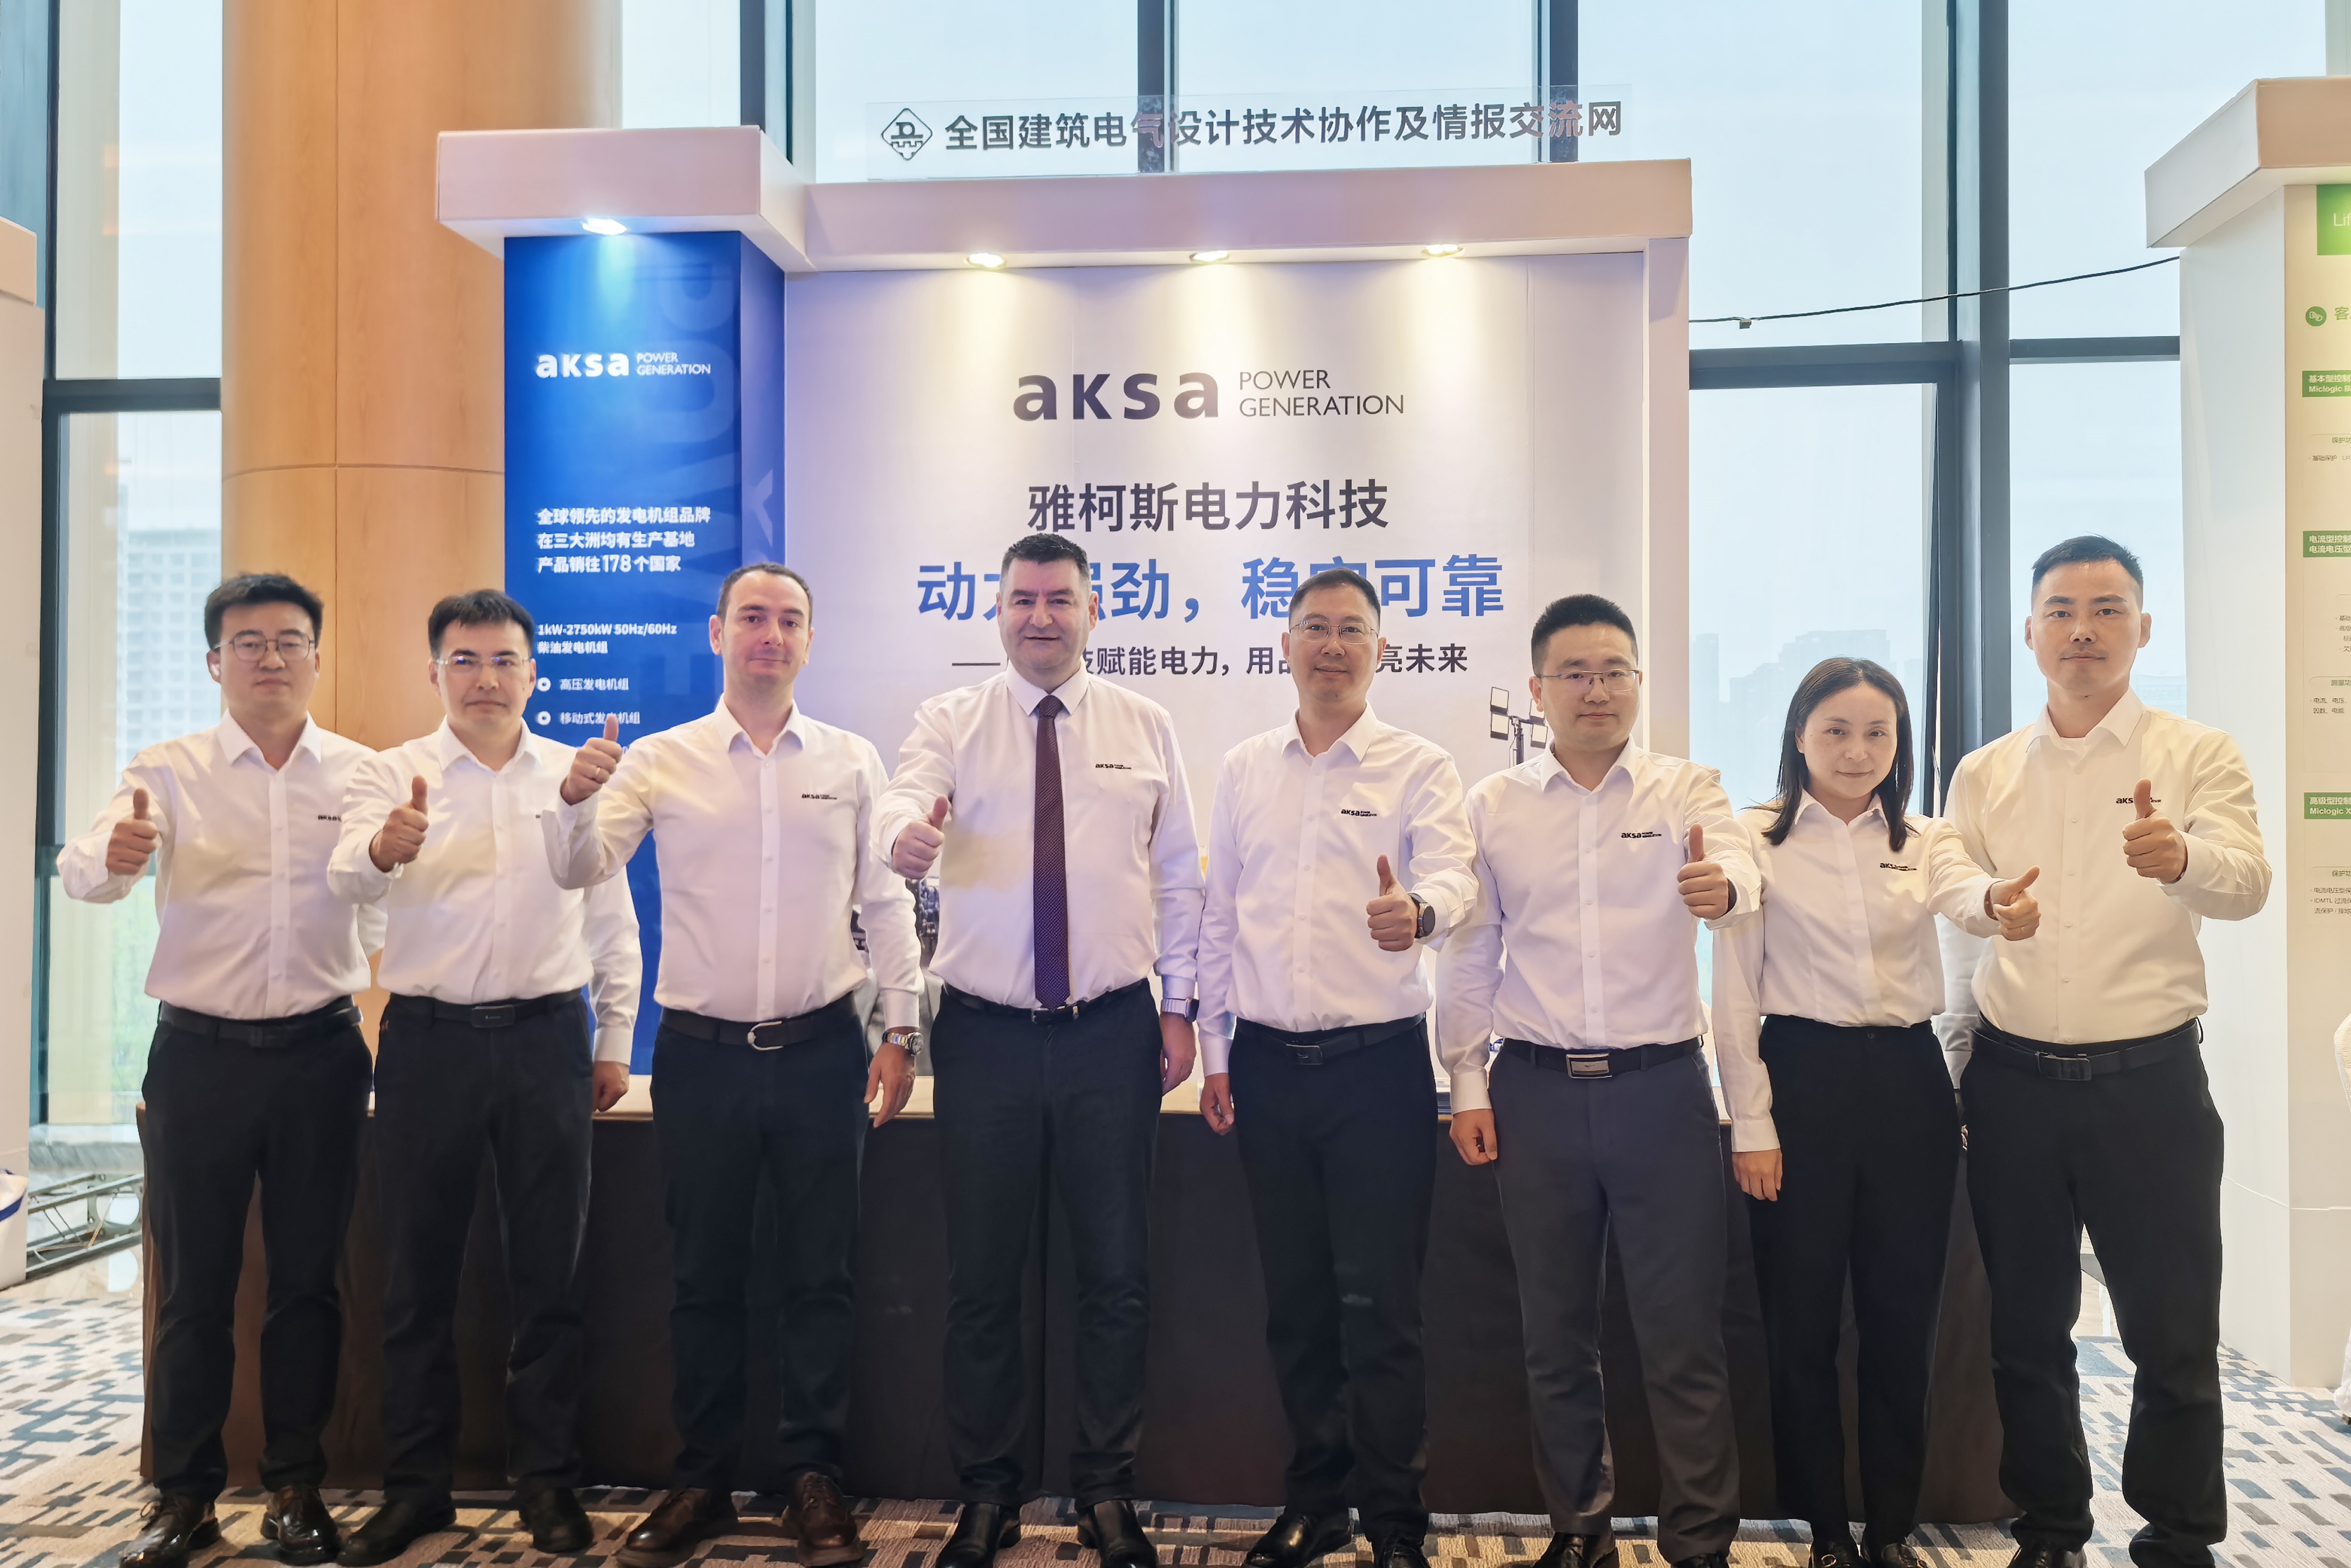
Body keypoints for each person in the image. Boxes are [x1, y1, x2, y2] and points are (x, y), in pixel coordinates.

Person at [545, 563, 922, 1568]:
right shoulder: (658, 759)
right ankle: (702, 1478)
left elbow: (884, 902)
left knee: (821, 1277)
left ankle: (813, 1479)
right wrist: (573, 800)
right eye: (752, 617)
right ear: (717, 634)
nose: (770, 634)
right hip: (702, 1057)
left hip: (823, 1051)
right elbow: (579, 867)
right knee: (703, 1276)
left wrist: (902, 1029)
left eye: (789, 620)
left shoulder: (850, 759)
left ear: (810, 641)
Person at [877, 532, 1204, 1568]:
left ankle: (1107, 1491)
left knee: (1115, 1277)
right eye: (1022, 599)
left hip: (1112, 1031)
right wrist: (904, 838)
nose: (1041, 618)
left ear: (1093, 610)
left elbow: (1181, 878)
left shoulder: (1145, 724)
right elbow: (902, 800)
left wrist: (1181, 1007)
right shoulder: (951, 721)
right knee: (984, 1282)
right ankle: (988, 1494)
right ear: (998, 611)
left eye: (1060, 599)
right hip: (985, 1038)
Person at [1943, 536, 2267, 1568]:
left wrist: (2183, 858)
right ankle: (2051, 1527)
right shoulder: (1985, 772)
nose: (2082, 630)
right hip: (2014, 1087)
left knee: (2172, 1334)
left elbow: (2249, 882)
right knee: (2026, 1333)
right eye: (2061, 611)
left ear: (2143, 628)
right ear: (2030, 631)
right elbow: (1958, 919)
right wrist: (1961, 1047)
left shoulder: (2196, 754)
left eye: (2107, 609)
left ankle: (2177, 1536)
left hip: (2151, 1088)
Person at [58, 574, 379, 1568]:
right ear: (214, 662)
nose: (270, 658)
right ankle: (184, 1497)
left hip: (323, 1054)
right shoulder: (168, 769)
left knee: (308, 1284)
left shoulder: (360, 773)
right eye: (248, 642)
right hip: (199, 1057)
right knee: (193, 1289)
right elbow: (83, 872)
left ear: (317, 657)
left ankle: (295, 1489)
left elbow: (383, 891)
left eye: (289, 640)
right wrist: (114, 854)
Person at [1436, 592, 1757, 1568]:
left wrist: (1724, 888)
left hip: (1661, 1094)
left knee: (1682, 1335)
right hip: (1534, 1092)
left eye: (1615, 671)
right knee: (1556, 1336)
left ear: (1638, 682)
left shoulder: (1686, 788)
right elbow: (1472, 951)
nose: (1596, 690)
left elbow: (1738, 867)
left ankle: (1699, 1542)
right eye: (1573, 673)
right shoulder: (1493, 805)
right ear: (1537, 691)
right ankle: (1581, 1530)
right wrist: (1466, 1079)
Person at [324, 590, 641, 1564]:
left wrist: (614, 1039)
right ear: (435, 673)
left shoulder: (573, 773)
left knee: (548, 1276)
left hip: (549, 1038)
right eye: (464, 660)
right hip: (429, 1042)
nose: (486, 679)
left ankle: (548, 1483)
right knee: (416, 1279)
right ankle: (416, 1491)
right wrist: (382, 849)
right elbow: (344, 877)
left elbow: (608, 916)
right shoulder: (393, 773)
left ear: (534, 673)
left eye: (505, 660)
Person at [1713, 658, 2040, 1568]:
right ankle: (1824, 1528)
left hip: (1907, 1085)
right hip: (1800, 1081)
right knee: (1802, 1323)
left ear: (1900, 743)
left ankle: (1890, 1527)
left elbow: (1963, 892)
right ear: (1799, 736)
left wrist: (1996, 904)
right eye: (1837, 731)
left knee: (1904, 1320)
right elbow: (1735, 996)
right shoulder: (1754, 836)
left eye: (1878, 733)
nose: (1858, 751)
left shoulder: (1926, 837)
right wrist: (1753, 1125)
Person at [1194, 567, 1478, 1568]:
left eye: (1352, 629)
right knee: (1300, 1306)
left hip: (1377, 1072)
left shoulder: (1419, 766)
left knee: (1383, 1310)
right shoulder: (1244, 769)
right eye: (1313, 627)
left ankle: (1396, 1522)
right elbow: (1219, 916)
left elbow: (1455, 876)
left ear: (1381, 650)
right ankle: (1315, 1505)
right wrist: (1216, 1051)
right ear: (1285, 645)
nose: (1331, 645)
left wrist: (1421, 913)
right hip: (1268, 1067)